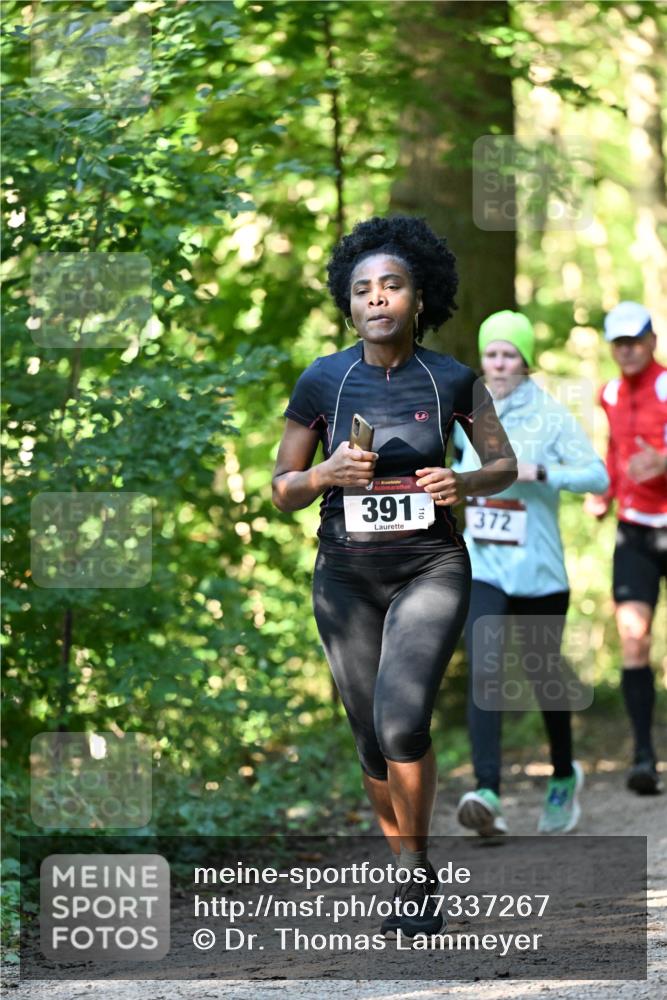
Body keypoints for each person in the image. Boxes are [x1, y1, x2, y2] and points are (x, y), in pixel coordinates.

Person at [271, 215, 517, 938]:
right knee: (369, 739)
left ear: (418, 297)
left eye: (392, 285)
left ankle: (416, 868)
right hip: (345, 579)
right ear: (348, 304)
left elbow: (502, 464)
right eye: (362, 290)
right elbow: (282, 488)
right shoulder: (323, 379)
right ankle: (408, 867)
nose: (376, 298)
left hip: (429, 567)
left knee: (402, 723)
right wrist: (325, 473)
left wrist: (462, 482)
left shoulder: (452, 378)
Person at [452, 310, 609, 836]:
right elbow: (457, 470)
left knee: (545, 679)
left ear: (525, 361)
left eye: (509, 354)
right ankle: (488, 793)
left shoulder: (550, 415)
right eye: (491, 353)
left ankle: (563, 775)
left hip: (539, 570)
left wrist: (538, 471)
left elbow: (598, 476)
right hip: (485, 565)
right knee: (485, 672)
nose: (498, 363)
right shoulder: (469, 412)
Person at [585, 301, 666, 795]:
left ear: (652, 340)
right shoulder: (610, 393)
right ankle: (643, 757)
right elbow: (616, 450)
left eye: (635, 340)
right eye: (619, 343)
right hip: (634, 530)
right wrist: (606, 491)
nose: (628, 350)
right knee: (634, 639)